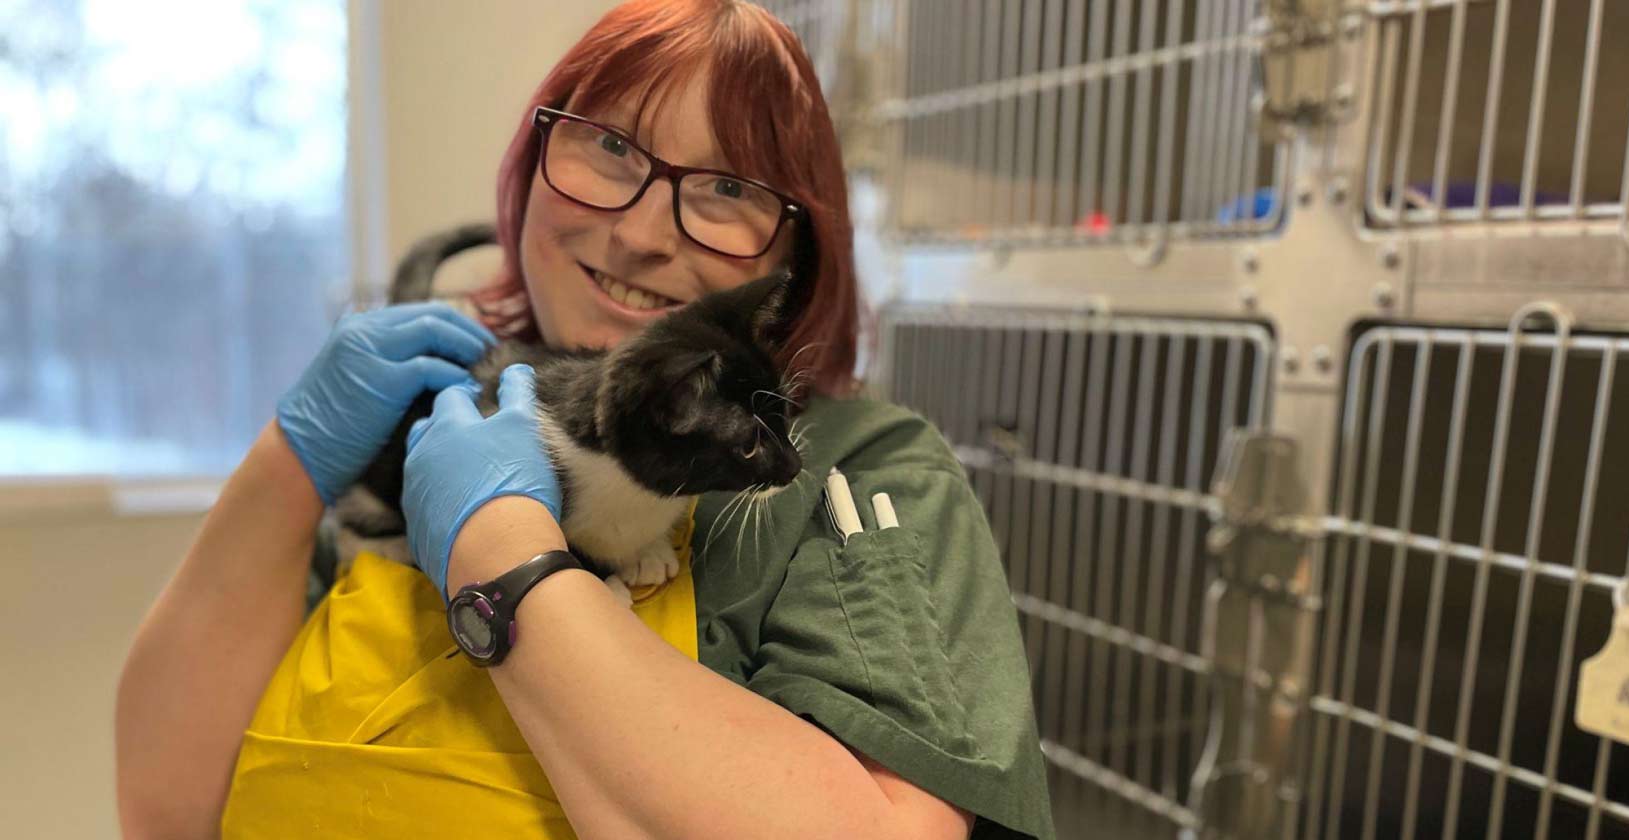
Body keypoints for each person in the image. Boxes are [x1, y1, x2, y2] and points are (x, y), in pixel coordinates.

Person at [115, 2, 1054, 838]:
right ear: (531, 166)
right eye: (609, 147)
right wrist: (293, 458)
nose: (644, 234)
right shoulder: (433, 419)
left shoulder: (854, 475)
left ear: (794, 257)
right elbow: (169, 811)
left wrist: (502, 556)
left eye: (727, 189)